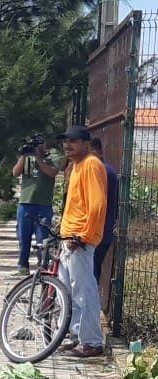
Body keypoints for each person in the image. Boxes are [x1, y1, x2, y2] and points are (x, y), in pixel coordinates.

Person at [55, 125, 108, 358]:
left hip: (80, 241)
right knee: (68, 292)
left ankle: (93, 342)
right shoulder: (75, 166)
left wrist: (83, 236)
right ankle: (77, 336)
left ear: (86, 143)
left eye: (73, 141)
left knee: (84, 291)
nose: (68, 145)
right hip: (69, 239)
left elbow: (97, 205)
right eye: (65, 141)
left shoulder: (91, 164)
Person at [11, 138, 59, 275]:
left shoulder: (52, 157)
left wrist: (38, 158)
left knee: (43, 240)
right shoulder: (27, 158)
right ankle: (23, 267)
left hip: (43, 205)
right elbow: (15, 173)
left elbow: (52, 172)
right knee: (23, 237)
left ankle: (42, 268)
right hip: (25, 203)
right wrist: (24, 155)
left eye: (41, 144)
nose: (38, 147)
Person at [90, 138, 119, 287]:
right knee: (93, 270)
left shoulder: (101, 170)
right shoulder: (108, 170)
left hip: (95, 231)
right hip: (103, 230)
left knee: (89, 273)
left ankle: (90, 308)